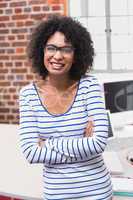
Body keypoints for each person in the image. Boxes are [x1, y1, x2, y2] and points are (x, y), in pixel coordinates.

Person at [19, 15, 113, 200]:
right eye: (51, 48)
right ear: (41, 51)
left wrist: (48, 144)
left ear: (76, 54)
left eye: (66, 49)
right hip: (56, 195)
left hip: (97, 192)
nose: (58, 56)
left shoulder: (90, 86)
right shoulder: (28, 95)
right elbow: (31, 153)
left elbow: (99, 143)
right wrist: (83, 145)